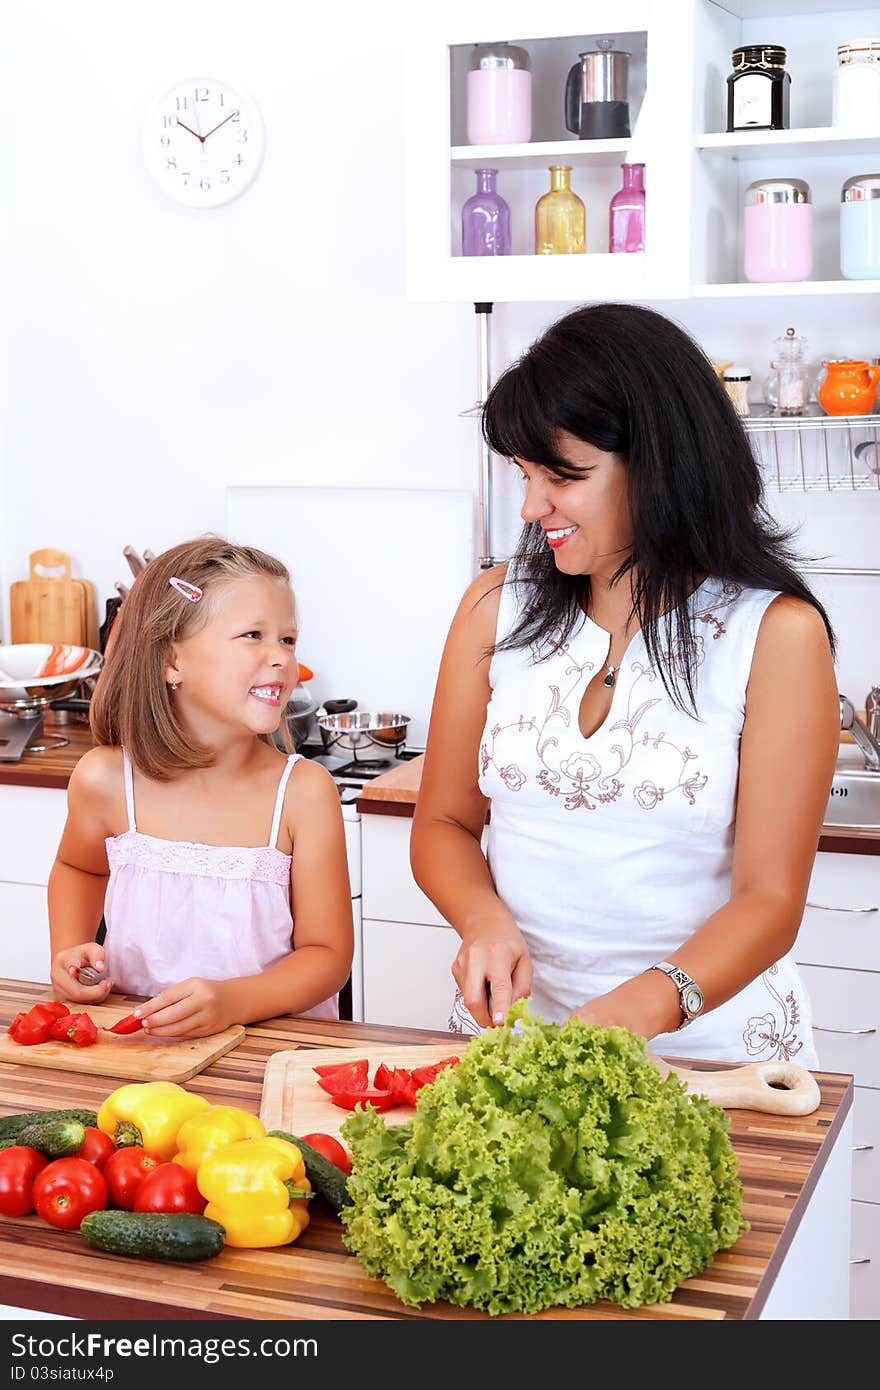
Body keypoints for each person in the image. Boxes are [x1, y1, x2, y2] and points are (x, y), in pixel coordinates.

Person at [410, 303, 839, 1066]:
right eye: (523, 474)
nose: (532, 505)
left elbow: (770, 903)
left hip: (712, 1056)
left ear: (661, 462)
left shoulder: (774, 634)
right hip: (519, 1042)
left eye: (562, 476)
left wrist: (641, 1006)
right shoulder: (492, 606)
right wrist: (481, 920)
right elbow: (442, 822)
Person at [48, 537, 353, 1038]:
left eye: (289, 640)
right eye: (253, 635)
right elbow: (78, 867)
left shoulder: (302, 793)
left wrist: (233, 1001)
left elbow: (328, 958)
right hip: (141, 1058)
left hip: (267, 1062)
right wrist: (69, 950)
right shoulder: (105, 780)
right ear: (172, 662)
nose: (281, 658)